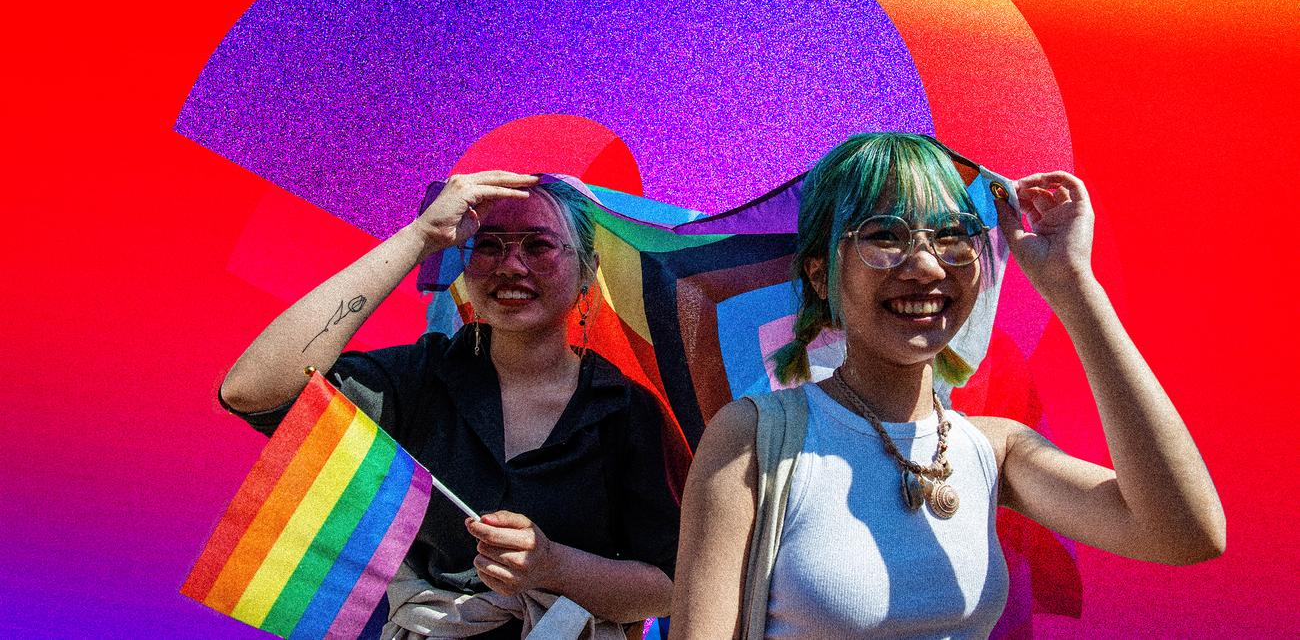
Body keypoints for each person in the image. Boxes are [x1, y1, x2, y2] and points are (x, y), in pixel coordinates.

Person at [669, 133, 1225, 639]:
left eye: (953, 236)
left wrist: (1074, 287)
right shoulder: (754, 439)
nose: (928, 267)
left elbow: (1184, 533)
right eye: (885, 236)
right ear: (820, 274)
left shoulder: (994, 451)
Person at [219, 171, 679, 639]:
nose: (511, 266)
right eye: (488, 245)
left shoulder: (625, 409)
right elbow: (252, 390)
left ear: (586, 270)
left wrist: (551, 565)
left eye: (538, 245)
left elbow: (664, 589)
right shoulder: (418, 379)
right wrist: (420, 237)